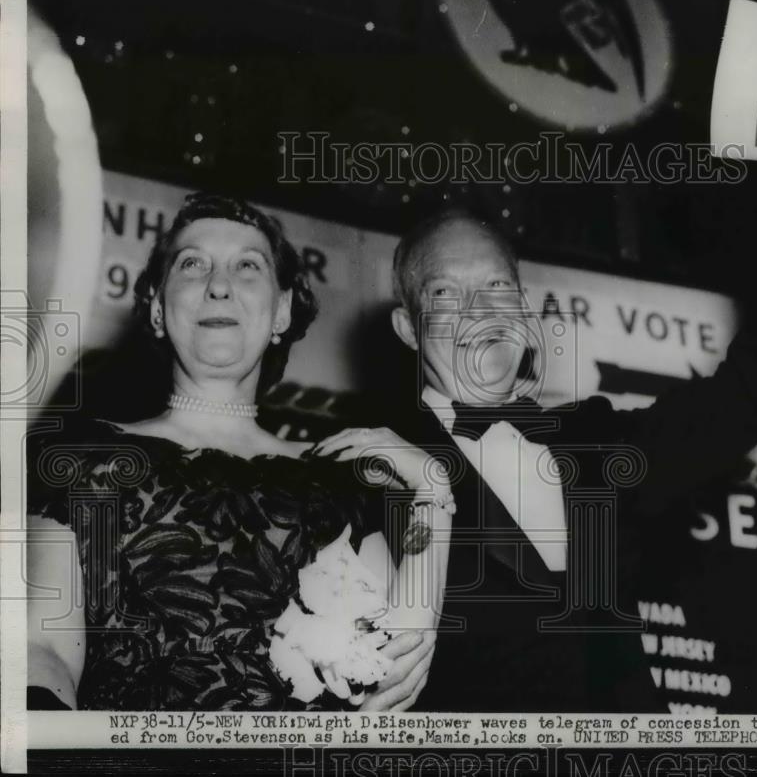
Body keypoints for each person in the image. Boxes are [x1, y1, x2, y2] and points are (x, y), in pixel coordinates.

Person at [383, 113, 757, 711]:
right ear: (407, 327)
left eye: (498, 289)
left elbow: (746, 395)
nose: (481, 312)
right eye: (446, 294)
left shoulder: (597, 443)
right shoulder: (369, 470)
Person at [26, 193, 451, 711]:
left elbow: (394, 673)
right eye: (192, 264)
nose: (219, 286)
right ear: (158, 309)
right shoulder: (82, 458)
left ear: (282, 310)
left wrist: (434, 491)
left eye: (247, 266)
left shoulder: (342, 482)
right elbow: (43, 649)